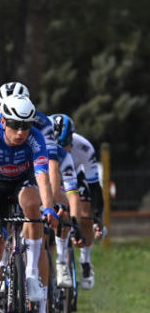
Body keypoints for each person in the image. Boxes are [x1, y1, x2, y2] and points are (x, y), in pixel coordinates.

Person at [0, 94, 59, 313]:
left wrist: (48, 208)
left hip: (21, 183)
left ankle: (32, 272)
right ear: (3, 122)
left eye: (25, 126)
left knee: (33, 205)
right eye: (14, 125)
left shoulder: (36, 138)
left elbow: (43, 176)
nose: (20, 132)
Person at [51, 113, 103, 289]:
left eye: (67, 144)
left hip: (74, 176)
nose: (65, 149)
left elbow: (95, 186)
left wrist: (97, 217)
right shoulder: (40, 143)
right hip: (49, 176)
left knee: (84, 211)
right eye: (60, 146)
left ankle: (85, 261)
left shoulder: (84, 148)